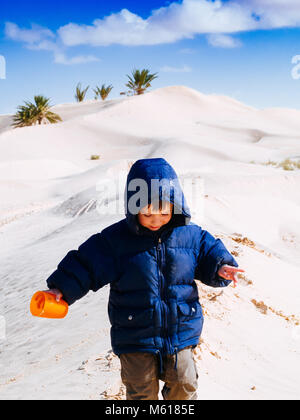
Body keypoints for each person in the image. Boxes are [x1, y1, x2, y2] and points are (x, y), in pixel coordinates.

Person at [45, 158, 244, 400]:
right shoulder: (115, 241)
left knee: (184, 384)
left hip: (180, 332)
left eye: (164, 212)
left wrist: (221, 267)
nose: (156, 219)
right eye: (147, 212)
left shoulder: (191, 237)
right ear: (133, 207)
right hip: (135, 336)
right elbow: (86, 264)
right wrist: (61, 289)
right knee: (141, 391)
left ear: (176, 205)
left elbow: (209, 255)